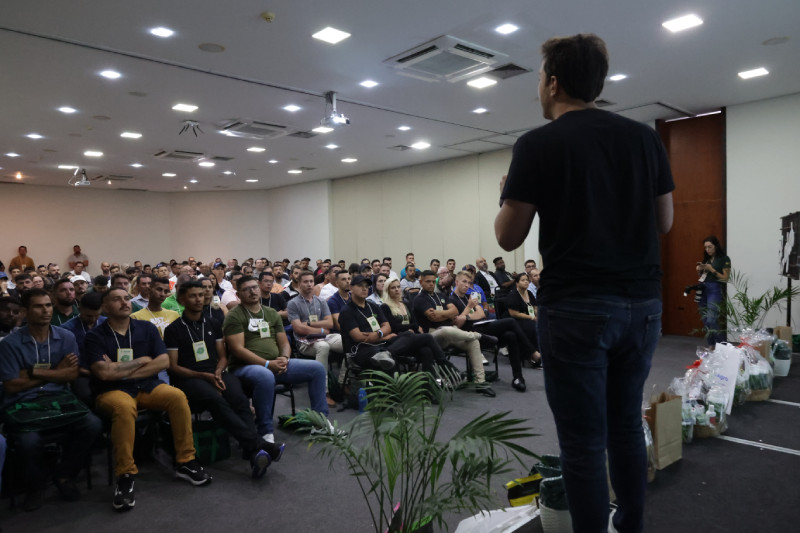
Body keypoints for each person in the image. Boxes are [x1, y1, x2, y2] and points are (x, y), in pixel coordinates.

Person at [494, 34, 674, 533]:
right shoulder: (644, 138)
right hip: (642, 305)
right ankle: (631, 526)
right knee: (625, 424)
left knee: (582, 443)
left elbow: (508, 237)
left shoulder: (537, 144)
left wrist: (507, 194)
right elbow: (665, 221)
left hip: (576, 308)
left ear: (553, 83)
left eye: (538, 77)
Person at [85, 288, 212, 512]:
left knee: (177, 396)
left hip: (147, 386)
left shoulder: (146, 328)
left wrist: (119, 370)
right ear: (105, 307)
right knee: (124, 408)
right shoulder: (95, 336)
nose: (124, 302)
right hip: (112, 390)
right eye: (116, 299)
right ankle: (125, 475)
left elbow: (163, 361)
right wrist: (140, 361)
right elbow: (103, 373)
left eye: (126, 298)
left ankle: (185, 461)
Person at [164, 281, 284, 479]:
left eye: (201, 295)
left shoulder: (212, 323)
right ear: (181, 300)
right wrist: (204, 376)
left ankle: (252, 451)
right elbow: (173, 367)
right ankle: (257, 445)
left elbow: (222, 356)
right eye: (193, 296)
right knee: (216, 399)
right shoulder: (173, 329)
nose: (198, 299)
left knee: (239, 398)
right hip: (190, 378)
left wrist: (218, 372)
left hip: (216, 372)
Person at [0, 289, 102, 511]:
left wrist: (32, 373)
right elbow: (12, 385)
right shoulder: (10, 344)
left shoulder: (65, 337)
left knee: (93, 425)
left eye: (48, 305)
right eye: (38, 306)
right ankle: (35, 486)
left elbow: (72, 374)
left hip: (58, 398)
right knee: (28, 442)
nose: (45, 310)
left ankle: (64, 474)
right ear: (25, 311)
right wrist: (56, 372)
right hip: (22, 403)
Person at [223, 276, 329, 443]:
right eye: (246, 289)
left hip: (275, 363)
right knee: (265, 375)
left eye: (254, 287)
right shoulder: (234, 316)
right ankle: (265, 431)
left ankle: (320, 423)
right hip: (245, 367)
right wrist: (267, 364)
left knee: (317, 368)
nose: (252, 292)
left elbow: (284, 342)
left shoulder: (271, 313)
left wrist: (284, 358)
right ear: (238, 294)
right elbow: (238, 350)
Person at [413, 270, 496, 397]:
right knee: (446, 330)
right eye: (427, 281)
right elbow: (433, 317)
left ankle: (481, 382)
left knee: (472, 342)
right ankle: (479, 336)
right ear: (421, 282)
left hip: (451, 333)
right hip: (432, 336)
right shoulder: (419, 299)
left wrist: (440, 313)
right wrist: (446, 314)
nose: (431, 284)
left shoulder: (440, 295)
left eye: (433, 281)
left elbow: (455, 312)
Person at [287, 270, 344, 406]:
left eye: (311, 281)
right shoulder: (293, 303)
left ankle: (343, 382)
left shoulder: (321, 301)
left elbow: (329, 323)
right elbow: (298, 329)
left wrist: (308, 324)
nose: (309, 284)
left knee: (347, 342)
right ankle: (323, 392)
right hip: (304, 341)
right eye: (305, 282)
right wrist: (321, 329)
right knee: (323, 347)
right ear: (299, 284)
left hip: (324, 336)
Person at [695, 236, 731, 346]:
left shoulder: (724, 259)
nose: (707, 250)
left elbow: (725, 278)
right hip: (703, 288)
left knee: (711, 319)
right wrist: (700, 270)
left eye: (710, 247)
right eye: (705, 247)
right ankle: (711, 345)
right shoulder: (707, 259)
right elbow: (703, 276)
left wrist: (712, 269)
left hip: (714, 289)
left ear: (716, 246)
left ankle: (722, 345)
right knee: (705, 320)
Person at [504, 273, 542, 368]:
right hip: (516, 320)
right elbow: (514, 313)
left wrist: (537, 315)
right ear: (517, 283)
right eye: (523, 280)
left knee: (543, 325)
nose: (526, 282)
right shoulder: (513, 295)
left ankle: (543, 352)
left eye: (527, 280)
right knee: (532, 327)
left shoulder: (529, 293)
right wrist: (531, 317)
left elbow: (535, 307)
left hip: (531, 318)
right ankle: (532, 354)